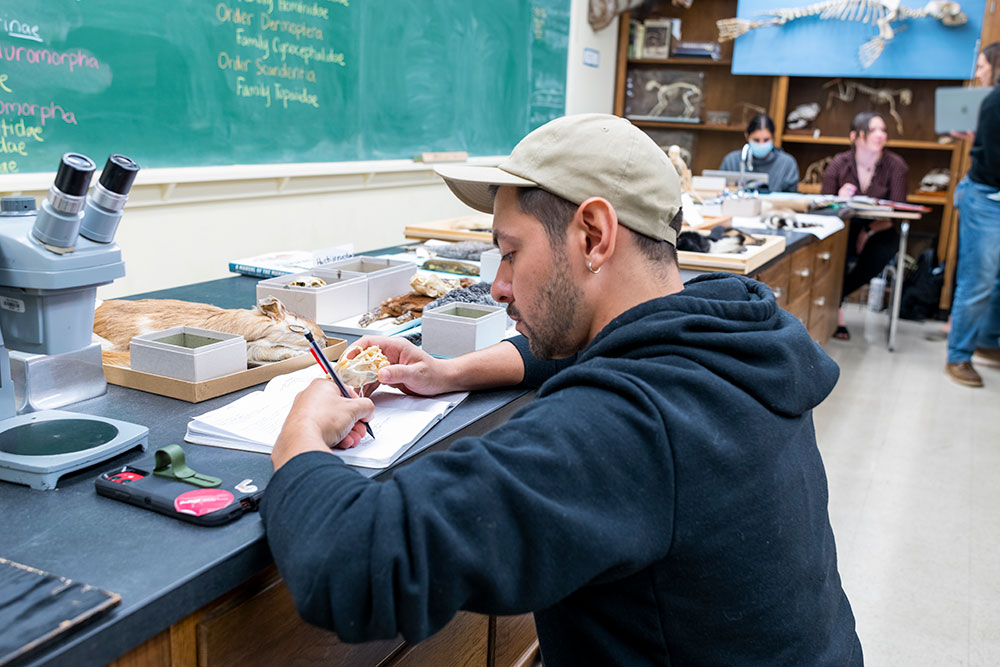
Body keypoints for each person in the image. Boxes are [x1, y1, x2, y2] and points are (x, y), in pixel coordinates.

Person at [261, 114, 862, 666]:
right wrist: (449, 371)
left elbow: (350, 564)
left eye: (509, 253)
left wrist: (303, 428)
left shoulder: (629, 426)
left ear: (594, 235)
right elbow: (603, 343)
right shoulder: (736, 335)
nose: (497, 287)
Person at [822, 111, 909, 340]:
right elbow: (822, 206)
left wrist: (868, 231)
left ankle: (835, 298)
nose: (880, 135)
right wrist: (839, 198)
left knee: (881, 251)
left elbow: (898, 211)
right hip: (845, 226)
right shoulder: (839, 163)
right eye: (873, 130)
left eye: (883, 130)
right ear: (855, 136)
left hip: (881, 228)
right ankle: (836, 312)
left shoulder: (896, 165)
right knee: (836, 248)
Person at [946, 41, 1000, 387]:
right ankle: (958, 356)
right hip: (985, 198)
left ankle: (987, 341)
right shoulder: (993, 102)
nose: (979, 72)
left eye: (982, 65)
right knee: (978, 280)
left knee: (995, 280)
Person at [719, 114, 800, 193]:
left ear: (773, 138)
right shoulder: (731, 161)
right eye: (756, 140)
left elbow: (790, 197)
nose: (761, 144)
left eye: (766, 140)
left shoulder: (787, 164)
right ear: (747, 136)